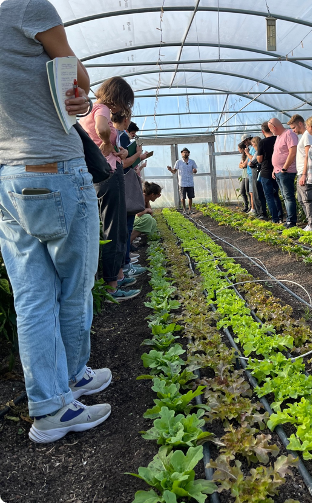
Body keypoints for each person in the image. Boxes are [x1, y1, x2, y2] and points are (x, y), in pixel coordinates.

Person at [0, 0, 111, 443]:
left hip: (8, 177)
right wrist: (81, 94)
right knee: (73, 288)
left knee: (31, 296)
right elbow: (77, 75)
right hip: (54, 167)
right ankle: (65, 389)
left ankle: (51, 401)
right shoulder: (26, 6)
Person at [80, 77, 145, 300]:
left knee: (115, 229)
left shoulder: (90, 109)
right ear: (117, 98)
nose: (124, 107)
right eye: (124, 101)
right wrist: (107, 143)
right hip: (108, 175)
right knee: (113, 229)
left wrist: (120, 150)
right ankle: (111, 287)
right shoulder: (101, 108)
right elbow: (101, 130)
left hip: (107, 173)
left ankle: (116, 276)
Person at [112, 112, 151, 276]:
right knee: (124, 228)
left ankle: (125, 263)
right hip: (121, 183)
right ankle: (124, 265)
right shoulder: (120, 136)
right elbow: (125, 163)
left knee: (124, 228)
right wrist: (139, 155)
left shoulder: (116, 135)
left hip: (117, 183)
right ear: (126, 120)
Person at [288, 115, 312, 232]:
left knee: (307, 199)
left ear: (300, 124)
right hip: (301, 172)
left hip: (304, 172)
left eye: (294, 127)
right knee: (301, 199)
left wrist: (304, 174)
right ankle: (310, 224)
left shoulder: (307, 136)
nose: (293, 131)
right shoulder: (304, 137)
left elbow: (308, 156)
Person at [268, 118, 299, 229]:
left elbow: (293, 152)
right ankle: (289, 220)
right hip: (278, 172)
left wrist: (285, 168)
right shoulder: (278, 137)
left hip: (287, 172)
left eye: (271, 129)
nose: (271, 132)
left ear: (274, 127)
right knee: (285, 197)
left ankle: (291, 221)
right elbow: (278, 154)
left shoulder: (289, 134)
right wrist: (274, 169)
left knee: (288, 196)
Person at [257, 122, 284, 224]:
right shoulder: (278, 139)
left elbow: (259, 159)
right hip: (277, 170)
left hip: (266, 171)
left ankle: (275, 219)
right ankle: (281, 216)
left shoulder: (262, 142)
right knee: (276, 194)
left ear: (263, 131)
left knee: (269, 196)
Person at [168, 148, 198, 214]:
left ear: (188, 154)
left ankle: (190, 209)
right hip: (182, 182)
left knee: (190, 197)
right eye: (183, 152)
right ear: (181, 153)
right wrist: (170, 169)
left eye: (186, 152)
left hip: (190, 182)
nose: (185, 153)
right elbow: (174, 171)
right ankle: (184, 209)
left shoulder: (192, 162)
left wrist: (194, 171)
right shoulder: (178, 162)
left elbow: (195, 170)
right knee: (182, 197)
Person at [249, 136, 268, 220]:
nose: (252, 146)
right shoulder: (258, 151)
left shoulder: (258, 152)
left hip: (257, 173)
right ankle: (259, 212)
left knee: (258, 193)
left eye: (253, 144)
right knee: (256, 193)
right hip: (255, 173)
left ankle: (261, 212)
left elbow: (251, 162)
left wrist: (251, 163)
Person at [242, 134, 256, 214]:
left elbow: (253, 159)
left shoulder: (254, 148)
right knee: (250, 192)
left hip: (252, 172)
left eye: (245, 141)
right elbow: (244, 163)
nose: (245, 144)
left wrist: (247, 153)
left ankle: (254, 209)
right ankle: (252, 209)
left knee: (252, 192)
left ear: (248, 139)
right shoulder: (251, 149)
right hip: (249, 173)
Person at [238, 142, 251, 212]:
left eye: (239, 148)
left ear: (243, 149)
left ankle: (250, 207)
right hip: (244, 175)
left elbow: (244, 165)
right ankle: (246, 206)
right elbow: (240, 165)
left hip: (247, 175)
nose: (238, 150)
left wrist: (242, 165)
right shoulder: (243, 156)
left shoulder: (247, 155)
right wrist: (242, 165)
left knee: (248, 191)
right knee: (242, 191)